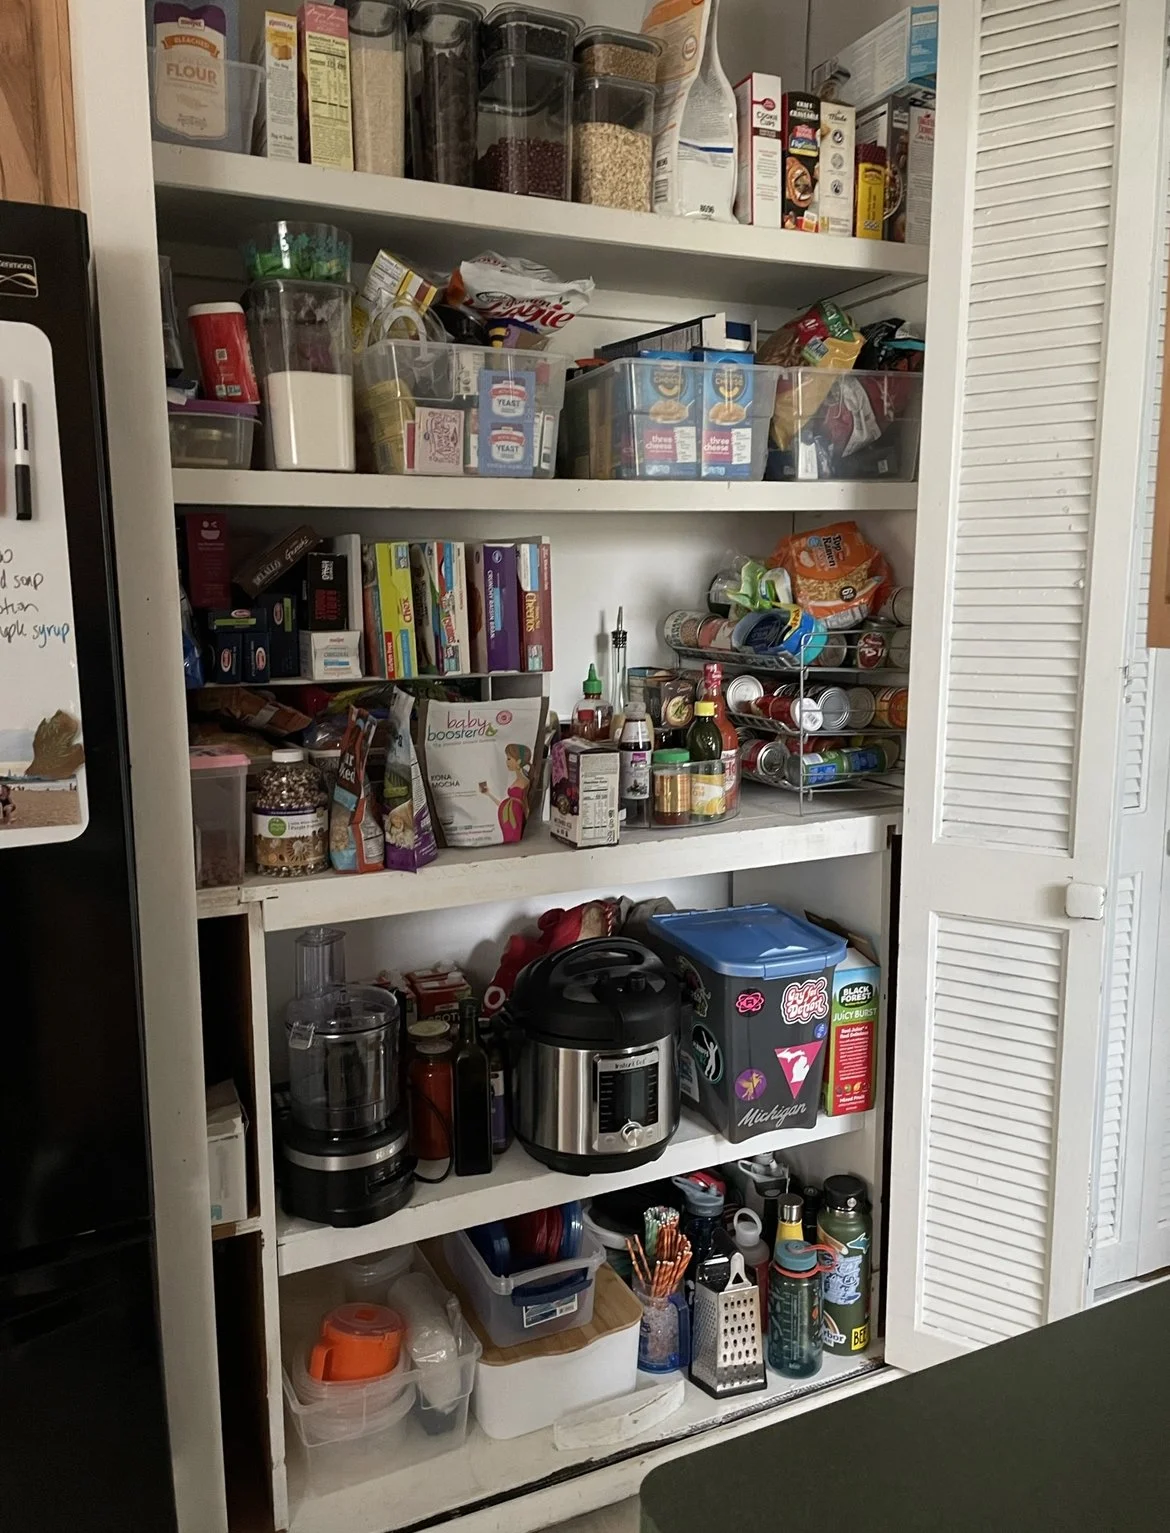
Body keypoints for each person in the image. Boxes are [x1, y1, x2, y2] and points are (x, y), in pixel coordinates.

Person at [478, 743, 532, 843]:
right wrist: (489, 794)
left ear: (518, 761)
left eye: (509, 759)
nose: (506, 762)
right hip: (506, 820)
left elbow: (525, 806)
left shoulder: (524, 781)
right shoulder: (516, 781)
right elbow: (504, 804)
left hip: (514, 819)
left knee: (513, 839)